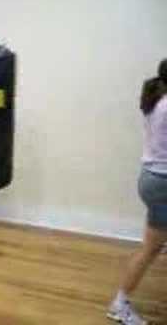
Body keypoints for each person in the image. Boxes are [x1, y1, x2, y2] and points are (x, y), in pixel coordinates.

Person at [107, 59, 167, 325]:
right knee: (151, 248)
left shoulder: (157, 101)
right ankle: (120, 304)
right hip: (162, 183)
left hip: (151, 179)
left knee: (153, 245)